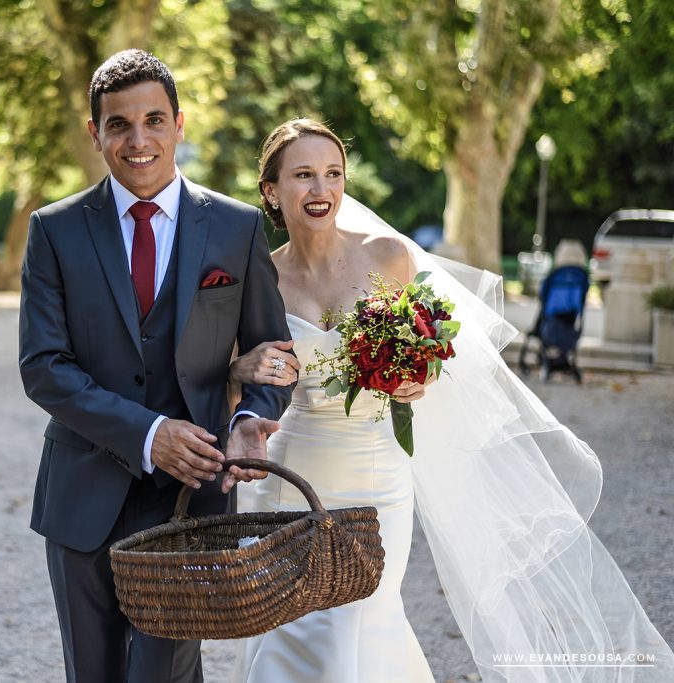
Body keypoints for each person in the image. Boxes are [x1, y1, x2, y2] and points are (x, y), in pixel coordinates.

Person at [228, 118, 674, 682]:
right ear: (271, 190)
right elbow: (234, 374)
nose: (322, 190)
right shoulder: (258, 278)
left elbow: (434, 349)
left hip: (375, 478)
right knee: (291, 626)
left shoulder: (388, 256)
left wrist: (420, 377)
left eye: (333, 174)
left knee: (365, 618)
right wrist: (239, 368)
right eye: (303, 176)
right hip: (289, 479)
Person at [17, 50, 295, 683]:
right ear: (95, 133)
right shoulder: (54, 231)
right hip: (82, 492)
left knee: (164, 675)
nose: (138, 140)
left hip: (192, 498)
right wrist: (149, 435)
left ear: (179, 124)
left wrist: (251, 417)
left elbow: (273, 353)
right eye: (119, 124)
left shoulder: (236, 226)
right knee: (93, 673)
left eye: (154, 120)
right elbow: (43, 366)